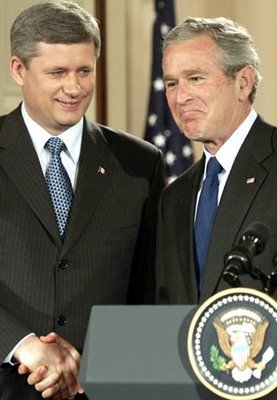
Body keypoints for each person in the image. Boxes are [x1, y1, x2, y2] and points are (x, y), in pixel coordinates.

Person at [0, 1, 165, 399]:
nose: (74, 88)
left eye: (84, 71)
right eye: (57, 72)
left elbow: (152, 289)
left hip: (104, 388)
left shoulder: (139, 163)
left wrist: (95, 367)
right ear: (18, 70)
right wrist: (23, 344)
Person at [155, 16, 277, 305]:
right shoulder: (174, 198)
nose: (180, 97)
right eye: (172, 83)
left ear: (243, 83)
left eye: (195, 78)